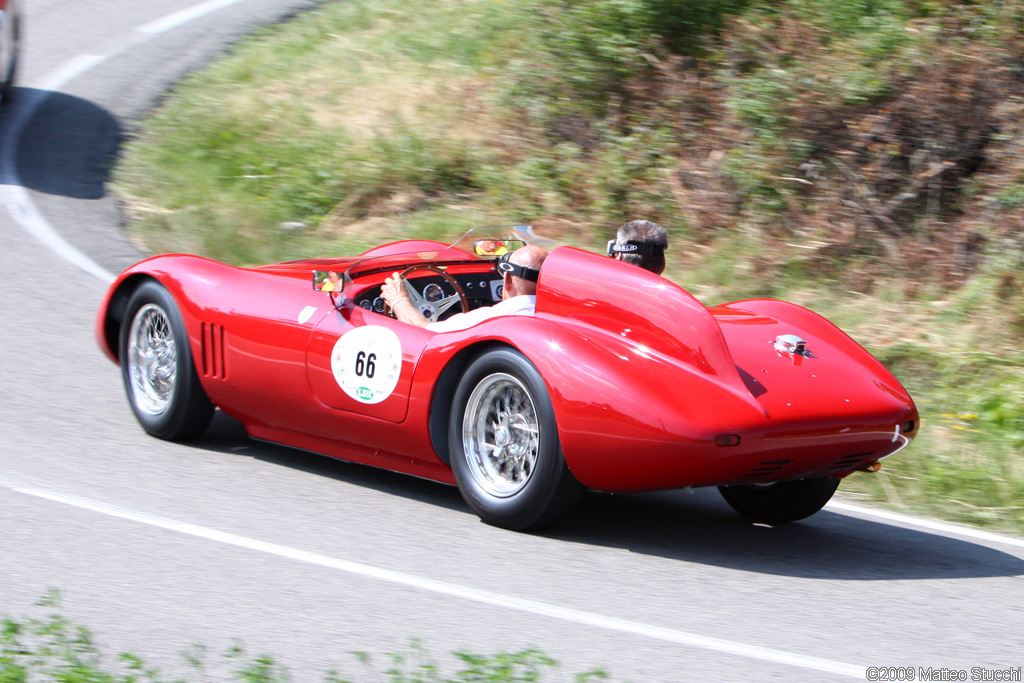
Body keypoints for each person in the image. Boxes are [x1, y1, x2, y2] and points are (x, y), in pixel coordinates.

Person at [381, 245, 548, 333]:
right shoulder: (554, 316)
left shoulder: (488, 318)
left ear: (508, 279)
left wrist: (398, 299)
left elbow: (424, 331)